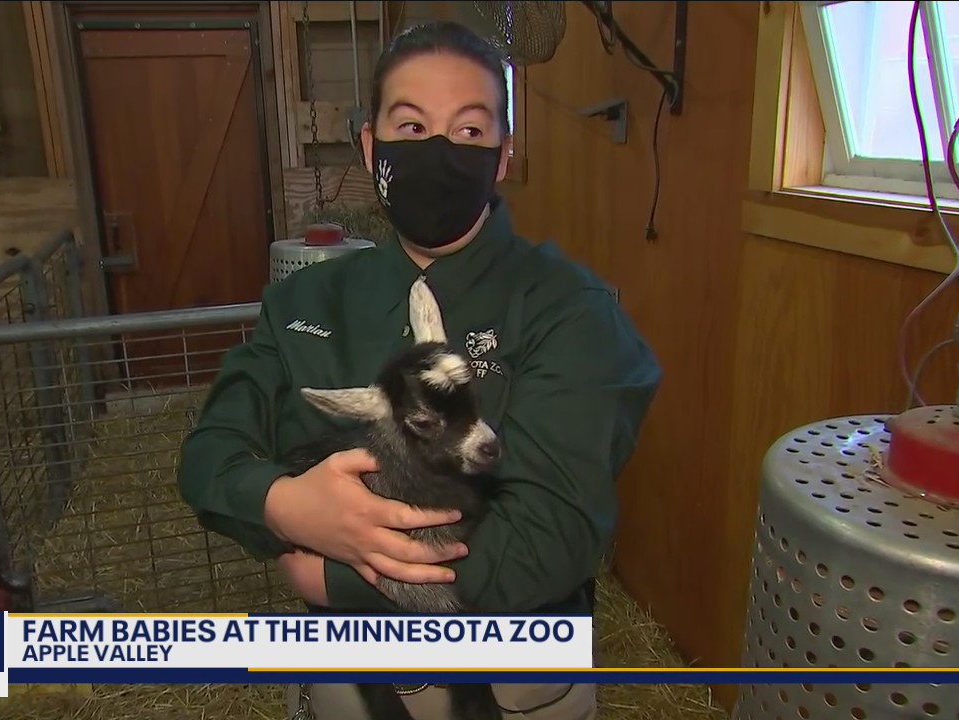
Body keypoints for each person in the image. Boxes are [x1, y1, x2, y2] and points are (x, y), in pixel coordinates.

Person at [178, 19, 661, 720]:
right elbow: (210, 455)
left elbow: (546, 540)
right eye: (410, 126)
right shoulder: (303, 304)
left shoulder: (569, 309)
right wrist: (285, 504)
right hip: (349, 684)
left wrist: (328, 570)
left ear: (502, 156)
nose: (438, 151)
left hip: (514, 686)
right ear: (371, 146)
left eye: (469, 132)